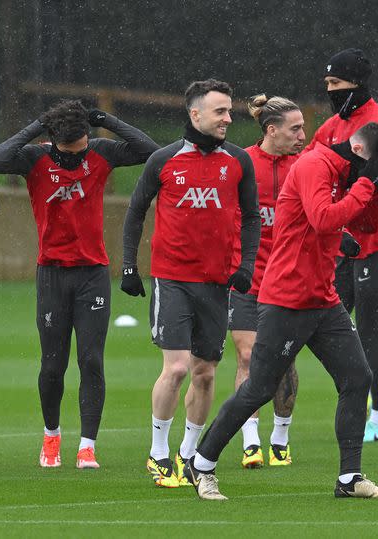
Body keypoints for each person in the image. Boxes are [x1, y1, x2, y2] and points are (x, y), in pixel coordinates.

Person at [185, 122, 378, 501]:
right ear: (359, 151)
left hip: (322, 298)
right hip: (287, 298)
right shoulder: (315, 165)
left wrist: (376, 186)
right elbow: (323, 219)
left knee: (357, 377)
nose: (373, 174)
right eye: (376, 164)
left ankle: (349, 477)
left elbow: (365, 222)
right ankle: (201, 463)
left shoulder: (343, 174)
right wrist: (367, 183)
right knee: (259, 388)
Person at [0, 100, 158, 469]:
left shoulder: (100, 151)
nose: (77, 158)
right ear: (53, 142)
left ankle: (87, 446)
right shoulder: (34, 159)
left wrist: (107, 120)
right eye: (70, 153)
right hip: (51, 274)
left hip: (92, 274)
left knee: (91, 360)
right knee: (52, 365)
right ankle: (51, 438)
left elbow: (151, 152)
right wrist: (37, 124)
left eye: (82, 148)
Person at [121, 79, 260, 488]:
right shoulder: (163, 160)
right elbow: (135, 212)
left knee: (205, 372)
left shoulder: (238, 161)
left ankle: (188, 453)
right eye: (220, 111)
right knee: (178, 367)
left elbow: (251, 217)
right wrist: (129, 266)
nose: (228, 119)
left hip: (217, 283)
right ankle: (158, 453)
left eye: (230, 111)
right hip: (173, 279)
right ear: (195, 114)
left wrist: (246, 264)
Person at [304, 48, 378, 442]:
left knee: (369, 329)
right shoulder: (332, 126)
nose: (331, 90)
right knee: (334, 321)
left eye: (336, 83)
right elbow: (311, 165)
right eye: (328, 84)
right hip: (345, 239)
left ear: (357, 83)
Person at [229, 94, 304, 469]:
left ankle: (281, 435)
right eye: (296, 128)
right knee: (247, 354)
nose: (303, 135)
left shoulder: (305, 167)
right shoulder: (242, 163)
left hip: (290, 277)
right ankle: (250, 440)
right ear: (271, 130)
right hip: (248, 275)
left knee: (282, 358)